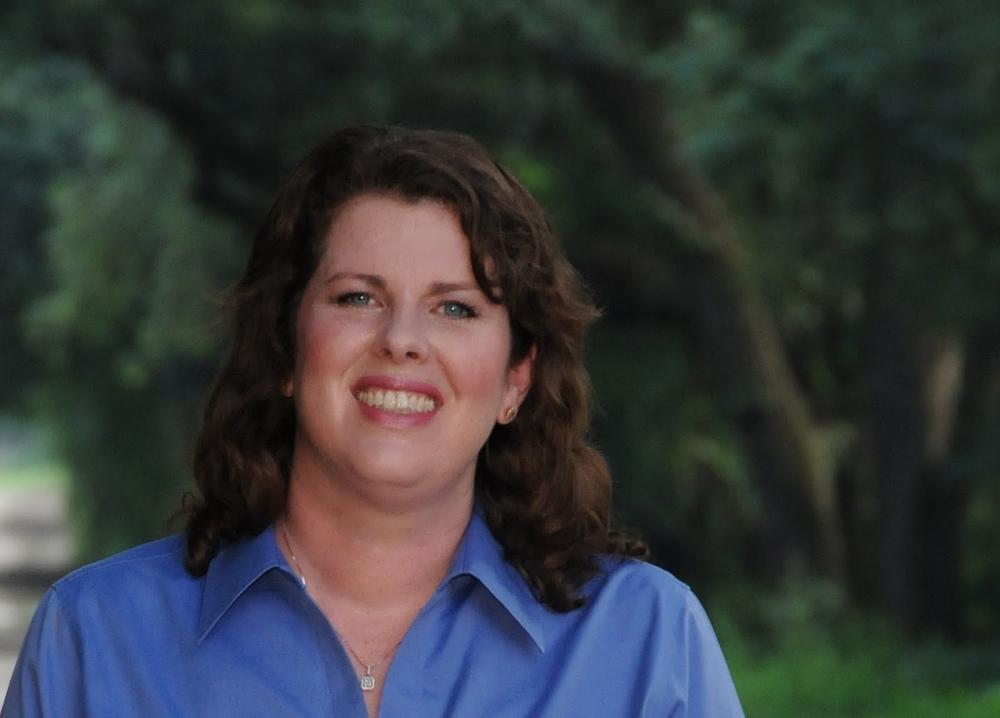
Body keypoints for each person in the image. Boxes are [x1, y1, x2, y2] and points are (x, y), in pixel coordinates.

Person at [3, 125, 744, 717]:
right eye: (358, 297)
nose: (401, 339)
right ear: (288, 349)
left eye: (457, 308)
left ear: (516, 378)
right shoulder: (97, 639)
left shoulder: (645, 641)